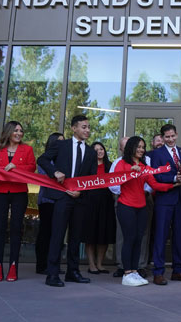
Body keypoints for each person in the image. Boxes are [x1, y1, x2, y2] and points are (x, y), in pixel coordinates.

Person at [37, 114, 98, 287]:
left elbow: (92, 178)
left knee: (76, 237)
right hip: (62, 197)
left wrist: (81, 191)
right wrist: (54, 172)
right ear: (74, 128)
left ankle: (73, 272)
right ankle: (52, 274)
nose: (87, 130)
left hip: (80, 199)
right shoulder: (61, 145)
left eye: (88, 127)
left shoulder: (91, 152)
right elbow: (42, 159)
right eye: (83, 127)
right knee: (57, 235)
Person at [114, 136, 181, 286]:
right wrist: (130, 171)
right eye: (138, 147)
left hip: (141, 207)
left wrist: (173, 184)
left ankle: (134, 271)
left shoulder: (144, 167)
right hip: (126, 206)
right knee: (129, 239)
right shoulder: (122, 163)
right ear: (131, 147)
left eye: (143, 147)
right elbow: (116, 180)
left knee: (138, 240)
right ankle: (127, 274)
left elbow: (155, 185)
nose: (141, 150)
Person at [149, 124, 181, 285]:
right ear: (162, 138)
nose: (170, 139)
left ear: (176, 134)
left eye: (172, 136)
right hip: (164, 200)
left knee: (179, 237)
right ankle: (158, 272)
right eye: (167, 137)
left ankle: (178, 270)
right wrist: (174, 178)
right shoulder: (157, 154)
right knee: (161, 236)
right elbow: (156, 176)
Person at [0, 121, 35, 282]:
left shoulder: (27, 149)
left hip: (19, 192)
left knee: (17, 228)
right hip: (0, 192)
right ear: (9, 132)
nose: (19, 133)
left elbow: (32, 167)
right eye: (16, 130)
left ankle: (13, 266)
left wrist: (16, 166)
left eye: (21, 131)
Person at [83, 141, 117, 275]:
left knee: (104, 234)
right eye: (96, 149)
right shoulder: (87, 166)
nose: (99, 151)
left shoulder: (110, 165)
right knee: (90, 235)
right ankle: (91, 265)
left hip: (106, 202)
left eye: (101, 149)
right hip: (90, 202)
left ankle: (100, 264)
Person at [35, 132, 64, 275]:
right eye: (59, 142)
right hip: (47, 200)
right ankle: (41, 265)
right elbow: (46, 176)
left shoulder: (65, 159)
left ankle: (54, 264)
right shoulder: (45, 159)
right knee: (45, 233)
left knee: (57, 234)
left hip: (61, 200)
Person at [110, 136, 130, 279]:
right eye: (125, 146)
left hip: (143, 198)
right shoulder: (117, 162)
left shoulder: (145, 161)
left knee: (142, 235)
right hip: (122, 199)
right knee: (121, 234)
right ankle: (121, 266)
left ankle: (139, 265)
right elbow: (112, 183)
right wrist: (124, 191)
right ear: (121, 149)